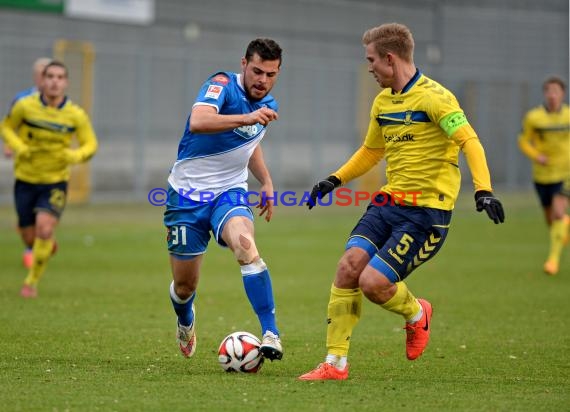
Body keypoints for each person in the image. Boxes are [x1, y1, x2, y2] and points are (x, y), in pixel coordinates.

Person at [298, 23, 505, 381]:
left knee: (373, 283)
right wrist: (334, 179)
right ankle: (335, 364)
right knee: (348, 267)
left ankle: (416, 313)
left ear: (390, 59)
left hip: (426, 213)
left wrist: (483, 190)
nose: (369, 68)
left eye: (371, 60)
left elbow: (470, 141)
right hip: (388, 203)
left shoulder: (436, 98)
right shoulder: (382, 101)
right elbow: (371, 151)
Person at [163, 38, 284, 362]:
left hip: (229, 194)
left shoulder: (268, 104)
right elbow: (199, 121)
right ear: (243, 64)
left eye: (271, 74)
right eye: (257, 71)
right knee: (185, 285)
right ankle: (185, 318)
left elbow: (249, 143)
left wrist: (267, 180)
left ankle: (271, 332)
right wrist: (247, 118)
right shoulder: (221, 85)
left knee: (246, 247)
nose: (262, 80)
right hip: (187, 197)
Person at [1, 60, 98, 298]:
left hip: (55, 181)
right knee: (29, 236)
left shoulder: (75, 115)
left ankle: (31, 282)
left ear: (66, 83)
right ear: (42, 81)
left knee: (44, 229)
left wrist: (75, 155)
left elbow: (91, 144)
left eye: (60, 77)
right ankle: (44, 244)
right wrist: (18, 146)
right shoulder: (25, 106)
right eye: (50, 76)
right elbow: (6, 127)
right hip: (25, 179)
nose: (54, 81)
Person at [2, 57, 51, 269]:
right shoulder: (22, 100)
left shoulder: (60, 103)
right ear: (36, 77)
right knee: (26, 222)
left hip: (52, 170)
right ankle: (32, 243)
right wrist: (10, 146)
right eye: (43, 75)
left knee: (45, 220)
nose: (47, 80)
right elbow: (10, 126)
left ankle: (39, 243)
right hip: (26, 168)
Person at [518, 76, 570, 276]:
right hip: (542, 175)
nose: (552, 95)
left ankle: (553, 261)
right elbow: (523, 141)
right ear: (545, 94)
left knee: (558, 212)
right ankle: (563, 226)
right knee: (551, 220)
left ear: (562, 94)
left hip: (565, 173)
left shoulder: (568, 116)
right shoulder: (534, 117)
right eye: (549, 91)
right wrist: (536, 155)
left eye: (556, 91)